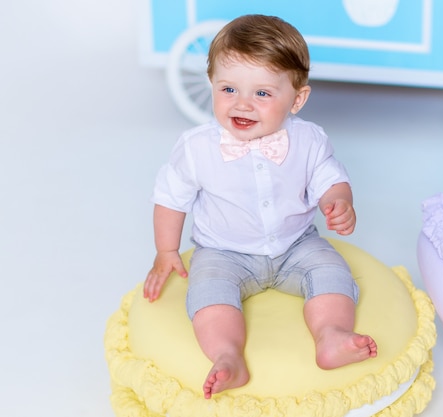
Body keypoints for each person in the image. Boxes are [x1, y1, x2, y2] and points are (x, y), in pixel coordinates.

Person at [143, 14, 377, 400]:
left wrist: (339, 201)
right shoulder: (196, 147)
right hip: (223, 251)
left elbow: (329, 177)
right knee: (209, 293)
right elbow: (171, 197)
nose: (243, 104)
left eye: (263, 94)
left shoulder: (309, 140)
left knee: (331, 272)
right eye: (229, 89)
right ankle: (227, 355)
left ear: (297, 99)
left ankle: (330, 336)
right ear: (212, 85)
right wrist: (166, 251)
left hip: (296, 243)